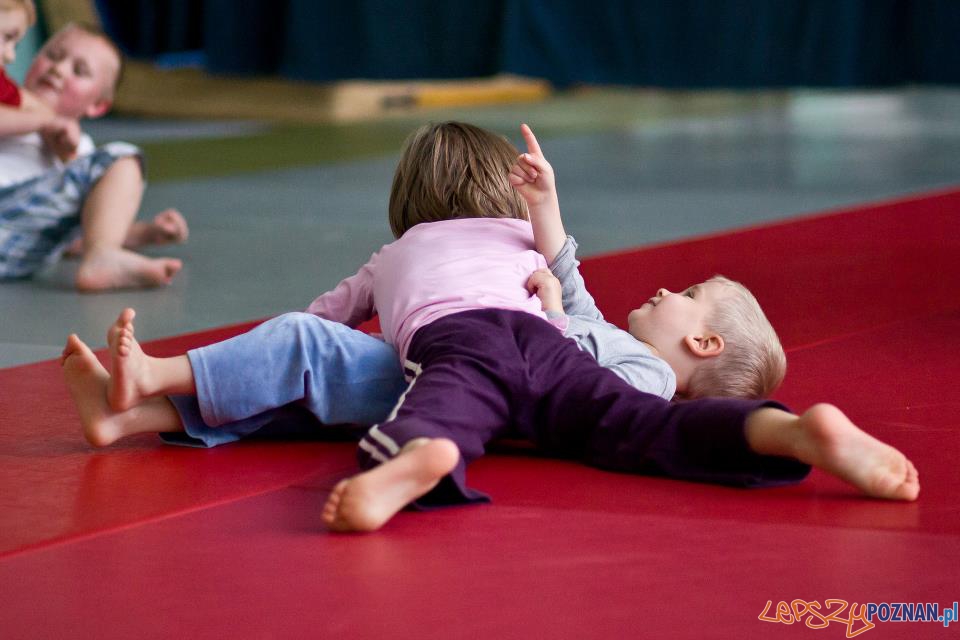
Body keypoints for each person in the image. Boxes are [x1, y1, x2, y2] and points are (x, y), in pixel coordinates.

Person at [62, 122, 779, 452]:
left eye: (686, 292)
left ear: (701, 339)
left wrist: (555, 315)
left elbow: (567, 378)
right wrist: (545, 205)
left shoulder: (647, 376)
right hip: (435, 366)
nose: (665, 291)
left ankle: (152, 378)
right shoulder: (621, 334)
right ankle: (127, 418)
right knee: (303, 367)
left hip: (482, 393)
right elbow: (565, 268)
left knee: (306, 374)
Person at [0, 22, 187, 290]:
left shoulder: (84, 158)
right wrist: (42, 120)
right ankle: (103, 257)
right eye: (53, 55)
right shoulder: (8, 106)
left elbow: (73, 237)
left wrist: (146, 233)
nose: (58, 68)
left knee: (123, 160)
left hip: (14, 254)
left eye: (79, 71)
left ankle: (104, 256)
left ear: (98, 105)